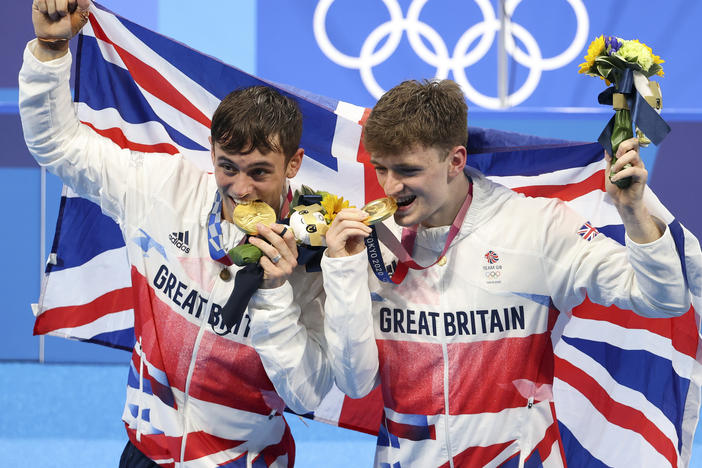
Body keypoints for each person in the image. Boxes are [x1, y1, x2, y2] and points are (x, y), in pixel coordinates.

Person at [20, 1, 332, 466]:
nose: (241, 189)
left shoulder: (317, 251)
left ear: (294, 164)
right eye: (228, 167)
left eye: (260, 172)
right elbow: (58, 146)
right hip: (146, 451)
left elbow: (307, 391)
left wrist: (275, 297)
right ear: (210, 151)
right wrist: (50, 47)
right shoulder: (162, 189)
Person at [321, 79, 691, 466]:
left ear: (456, 160)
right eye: (380, 169)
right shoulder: (368, 241)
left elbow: (662, 299)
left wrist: (633, 213)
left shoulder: (537, 228)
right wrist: (342, 269)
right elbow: (355, 382)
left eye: (407, 170)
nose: (390, 186)